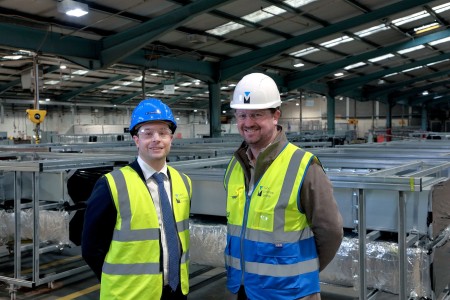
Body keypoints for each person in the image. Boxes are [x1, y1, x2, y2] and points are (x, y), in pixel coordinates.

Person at [223, 73, 343, 300]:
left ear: (276, 115)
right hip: (243, 289)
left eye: (256, 114)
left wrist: (301, 273)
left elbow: (330, 231)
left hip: (291, 292)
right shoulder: (235, 165)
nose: (248, 123)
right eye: (242, 115)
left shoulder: (303, 165)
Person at [82, 98, 192, 300]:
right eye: (147, 133)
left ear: (171, 138)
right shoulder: (112, 184)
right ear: (136, 140)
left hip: (175, 292)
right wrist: (119, 282)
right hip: (129, 295)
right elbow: (91, 249)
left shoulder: (183, 182)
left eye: (163, 132)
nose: (156, 139)